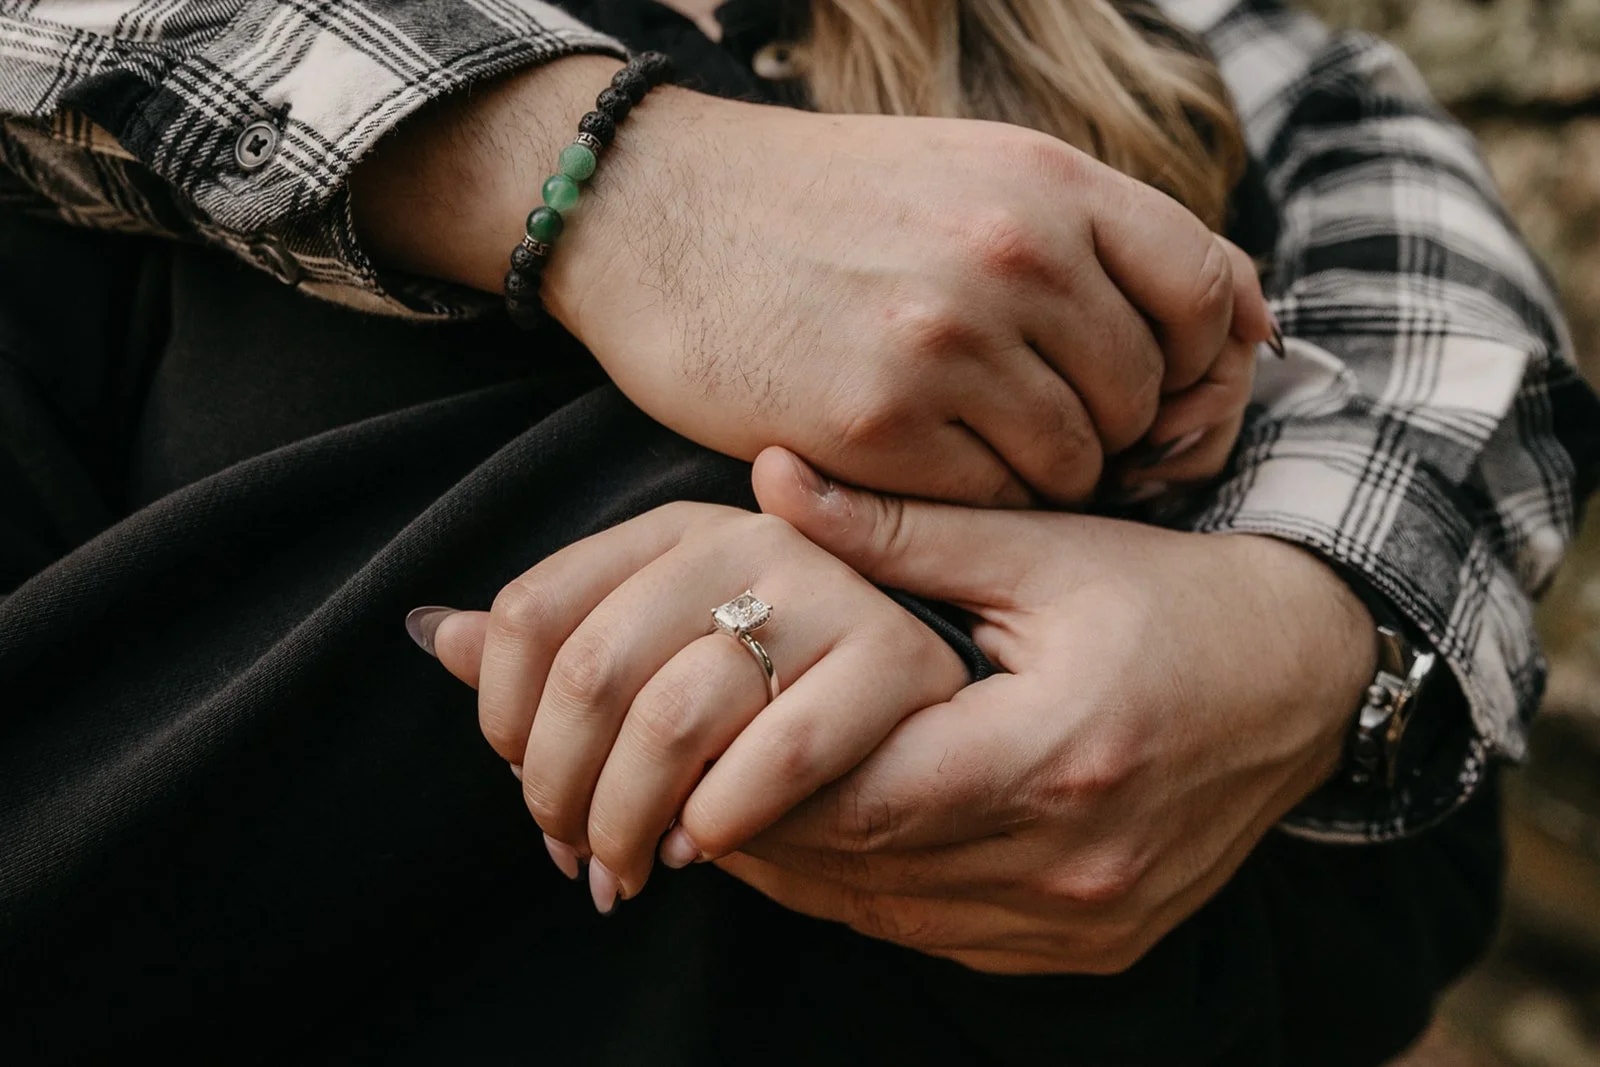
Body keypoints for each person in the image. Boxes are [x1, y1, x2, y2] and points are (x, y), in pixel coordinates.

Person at [0, 3, 1594, 1066]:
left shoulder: (1233, 84)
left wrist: (1295, 644)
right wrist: (631, 200)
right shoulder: (111, 101)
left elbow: (1393, 880)